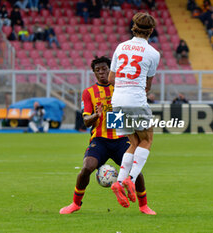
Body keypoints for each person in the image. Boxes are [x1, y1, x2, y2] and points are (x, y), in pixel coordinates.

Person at [59, 56, 156, 215]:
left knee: (135, 171)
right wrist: (96, 116)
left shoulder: (120, 89)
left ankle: (143, 206)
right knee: (87, 168)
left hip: (121, 139)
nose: (101, 73)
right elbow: (85, 121)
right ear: (94, 73)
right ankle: (75, 204)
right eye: (98, 70)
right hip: (100, 140)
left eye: (104, 69)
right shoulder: (89, 92)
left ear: (111, 70)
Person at [108, 12, 160, 209]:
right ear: (151, 31)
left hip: (117, 100)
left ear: (133, 27)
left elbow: (112, 78)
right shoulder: (153, 53)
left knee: (133, 142)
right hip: (136, 100)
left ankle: (119, 182)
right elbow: (147, 84)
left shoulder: (120, 47)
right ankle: (131, 178)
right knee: (147, 140)